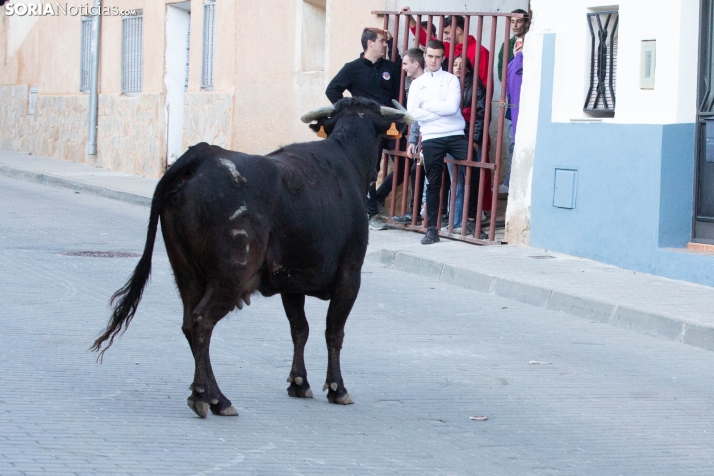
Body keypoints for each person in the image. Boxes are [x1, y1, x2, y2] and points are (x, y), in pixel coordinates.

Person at [325, 28, 401, 230]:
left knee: (404, 163)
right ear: (369, 43)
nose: (385, 45)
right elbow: (332, 90)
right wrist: (351, 110)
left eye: (386, 42)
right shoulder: (352, 68)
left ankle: (379, 197)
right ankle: (371, 214)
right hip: (367, 127)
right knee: (371, 169)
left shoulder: (391, 68)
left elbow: (397, 95)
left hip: (390, 124)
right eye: (382, 41)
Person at [407, 40, 469, 245]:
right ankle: (432, 229)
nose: (433, 60)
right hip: (432, 136)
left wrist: (427, 107)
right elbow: (413, 111)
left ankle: (468, 220)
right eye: (430, 56)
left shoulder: (451, 79)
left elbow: (452, 108)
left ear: (443, 58)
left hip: (456, 133)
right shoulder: (417, 83)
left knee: (474, 170)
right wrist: (437, 116)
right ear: (424, 56)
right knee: (433, 183)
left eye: (437, 56)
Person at [443, 56, 486, 235]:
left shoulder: (476, 87)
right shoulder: (447, 85)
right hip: (450, 135)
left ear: (468, 68)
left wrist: (475, 140)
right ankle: (455, 220)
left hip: (466, 139)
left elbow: (481, 115)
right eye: (455, 64)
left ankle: (461, 221)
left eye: (462, 65)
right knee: (456, 181)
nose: (458, 68)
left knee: (465, 180)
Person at [401, 7, 490, 87]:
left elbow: (484, 84)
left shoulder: (481, 51)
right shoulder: (449, 47)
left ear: (458, 30)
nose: (446, 37)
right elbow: (424, 39)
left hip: (469, 102)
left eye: (447, 33)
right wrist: (410, 18)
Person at [497, 9, 530, 194]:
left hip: (530, 100)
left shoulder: (534, 41)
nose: (515, 25)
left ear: (526, 23)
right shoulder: (507, 45)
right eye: (512, 22)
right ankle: (511, 181)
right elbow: (502, 73)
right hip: (514, 101)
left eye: (519, 21)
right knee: (513, 142)